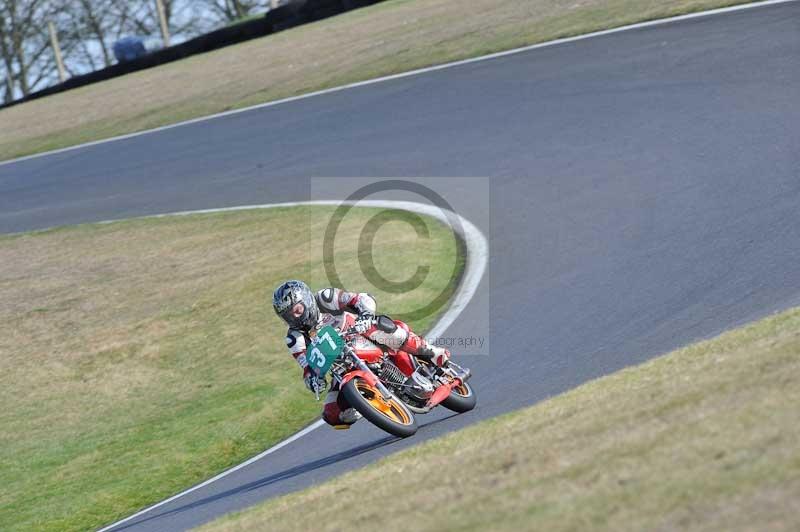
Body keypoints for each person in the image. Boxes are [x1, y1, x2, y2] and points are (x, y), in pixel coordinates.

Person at [272, 280, 451, 429]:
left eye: (297, 310)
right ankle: (368, 403)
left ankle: (432, 352)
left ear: (307, 301)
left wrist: (365, 314)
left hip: (362, 335)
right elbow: (306, 365)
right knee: (331, 414)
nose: (294, 318)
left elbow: (361, 298)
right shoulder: (294, 338)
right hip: (342, 366)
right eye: (287, 316)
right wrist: (313, 380)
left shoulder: (325, 298)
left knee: (380, 328)